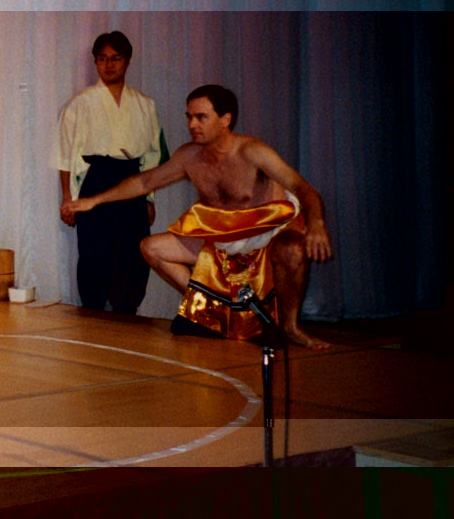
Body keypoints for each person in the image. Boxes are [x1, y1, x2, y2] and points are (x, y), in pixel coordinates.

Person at [70, 85, 331, 349]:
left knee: (293, 249)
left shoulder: (252, 151)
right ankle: (212, 307)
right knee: (151, 248)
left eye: (201, 117)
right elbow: (145, 181)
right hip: (224, 238)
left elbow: (304, 188)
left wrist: (317, 224)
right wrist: (95, 200)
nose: (192, 124)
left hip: (266, 235)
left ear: (225, 120)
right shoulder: (189, 156)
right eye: (189, 117)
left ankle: (290, 327)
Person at [55, 31, 167, 314]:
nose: (109, 64)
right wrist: (68, 198)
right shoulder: (80, 102)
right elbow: (64, 154)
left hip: (133, 180)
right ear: (95, 62)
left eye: (116, 58)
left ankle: (126, 315)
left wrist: (149, 198)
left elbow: (153, 157)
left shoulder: (145, 105)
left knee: (131, 254)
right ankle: (92, 313)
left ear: (127, 61)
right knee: (94, 253)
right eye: (103, 58)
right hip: (96, 178)